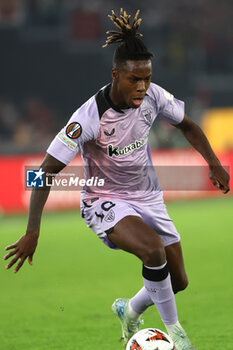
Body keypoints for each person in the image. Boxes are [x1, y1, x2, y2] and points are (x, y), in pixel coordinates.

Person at [4, 9, 230, 350]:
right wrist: (33, 230)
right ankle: (178, 336)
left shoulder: (154, 96)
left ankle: (129, 309)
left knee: (177, 280)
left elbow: (188, 125)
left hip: (148, 196)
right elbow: (46, 169)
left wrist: (214, 163)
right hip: (104, 201)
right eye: (133, 80)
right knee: (154, 252)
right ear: (115, 75)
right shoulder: (88, 117)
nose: (141, 87)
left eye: (146, 79)